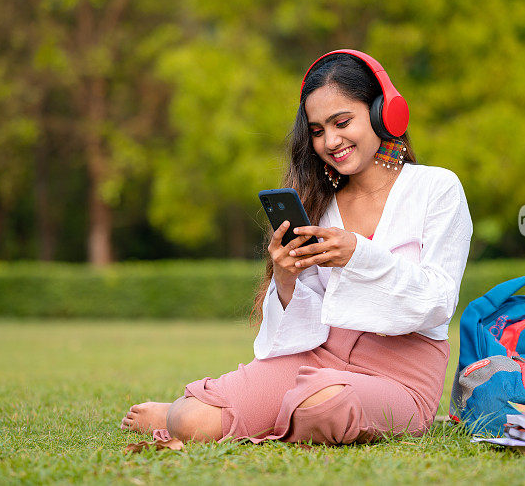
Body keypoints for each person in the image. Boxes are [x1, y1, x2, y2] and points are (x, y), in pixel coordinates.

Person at [120, 49, 473, 445]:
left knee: (323, 405)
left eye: (342, 122)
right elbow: (307, 321)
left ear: (382, 114)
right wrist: (287, 279)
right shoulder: (319, 205)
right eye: (318, 130)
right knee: (189, 421)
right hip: (316, 355)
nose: (331, 141)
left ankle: (284, 408)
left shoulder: (437, 189)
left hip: (400, 373)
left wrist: (358, 254)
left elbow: (439, 300)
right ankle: (188, 409)